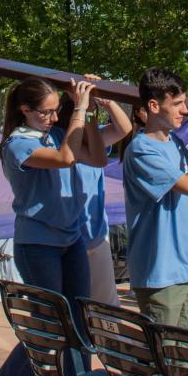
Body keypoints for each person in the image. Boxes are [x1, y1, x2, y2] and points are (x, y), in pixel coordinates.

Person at [0, 76, 99, 376]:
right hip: (37, 244)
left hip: (71, 240)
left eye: (56, 110)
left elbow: (104, 150)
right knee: (48, 330)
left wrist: (100, 103)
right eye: (45, 112)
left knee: (79, 328)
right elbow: (65, 159)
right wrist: (78, 110)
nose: (52, 117)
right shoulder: (17, 144)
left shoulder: (59, 131)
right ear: (25, 111)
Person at [122, 68, 188, 329]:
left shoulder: (175, 143)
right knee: (164, 357)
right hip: (161, 274)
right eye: (178, 104)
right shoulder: (141, 149)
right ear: (154, 106)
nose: (185, 110)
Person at [62, 74, 133, 306]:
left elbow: (125, 128)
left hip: (95, 234)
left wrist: (105, 99)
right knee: (74, 304)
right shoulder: (57, 141)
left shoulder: (95, 137)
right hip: (68, 237)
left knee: (106, 306)